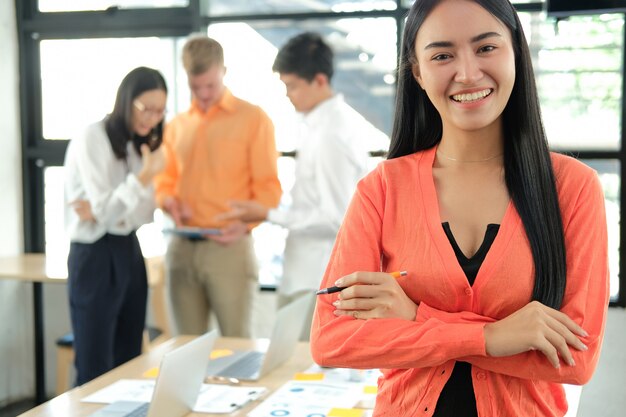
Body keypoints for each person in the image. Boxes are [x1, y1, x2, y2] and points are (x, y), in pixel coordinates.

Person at [310, 1, 610, 416]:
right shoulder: (381, 189)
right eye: (442, 55)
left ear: (515, 53)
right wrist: (492, 337)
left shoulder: (572, 188)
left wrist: (416, 319)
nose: (467, 73)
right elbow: (332, 339)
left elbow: (576, 360)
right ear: (418, 72)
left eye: (486, 48)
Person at [217, 32, 388, 340]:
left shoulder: (330, 135)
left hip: (316, 277)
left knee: (300, 368)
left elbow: (336, 218)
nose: (287, 95)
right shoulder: (320, 126)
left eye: (292, 86)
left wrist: (268, 213)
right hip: (306, 273)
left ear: (320, 81)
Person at [154, 35, 282, 338]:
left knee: (236, 345)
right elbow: (164, 179)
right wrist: (168, 200)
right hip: (181, 248)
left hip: (229, 249)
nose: (203, 94)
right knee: (184, 347)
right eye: (195, 87)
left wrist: (246, 226)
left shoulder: (254, 119)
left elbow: (268, 188)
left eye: (210, 86)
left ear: (223, 71)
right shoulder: (176, 126)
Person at [64, 66, 167, 385]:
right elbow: (110, 213)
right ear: (126, 101)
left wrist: (107, 209)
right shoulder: (92, 137)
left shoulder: (141, 144)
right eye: (145, 109)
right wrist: (142, 178)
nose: (151, 119)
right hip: (94, 254)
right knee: (94, 363)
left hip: (129, 249)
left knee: (129, 359)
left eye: (160, 111)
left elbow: (144, 213)